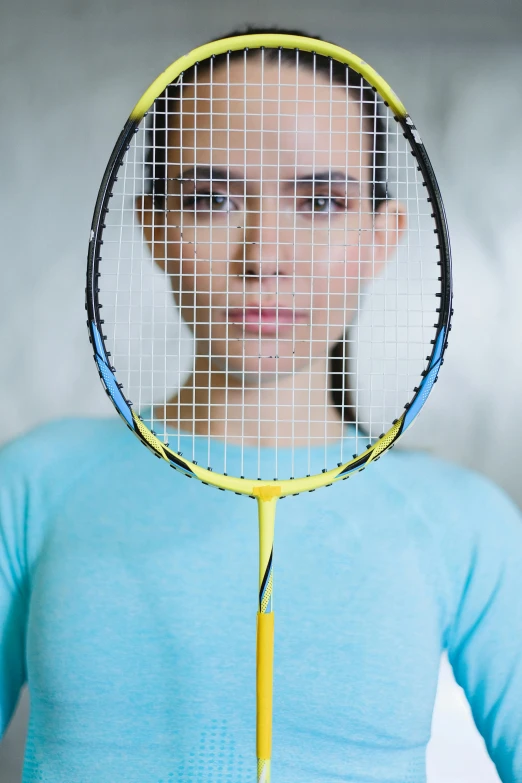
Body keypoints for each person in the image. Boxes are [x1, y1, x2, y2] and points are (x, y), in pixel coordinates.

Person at [1, 25, 522, 783]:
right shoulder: (32, 484)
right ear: (154, 227)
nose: (265, 256)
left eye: (320, 201)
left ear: (383, 237)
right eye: (210, 199)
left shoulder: (464, 520)